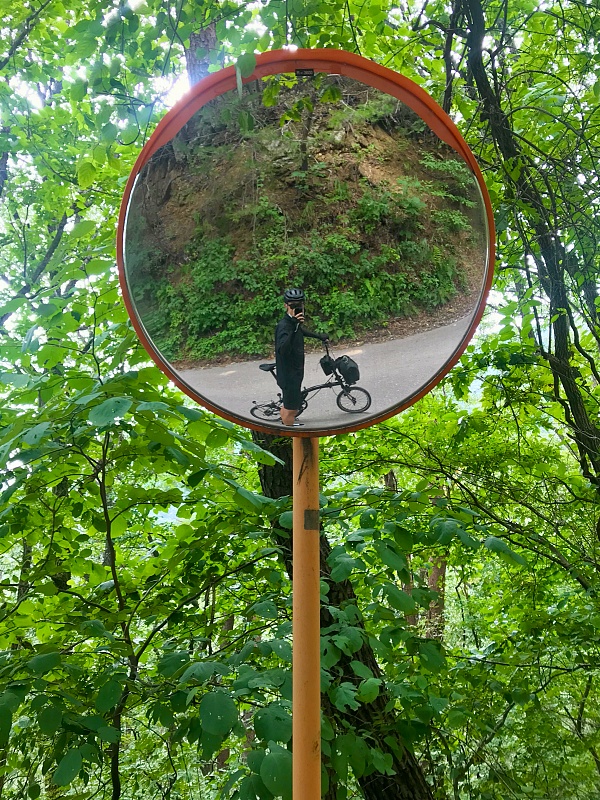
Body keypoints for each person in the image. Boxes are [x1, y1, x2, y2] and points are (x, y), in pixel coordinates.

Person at [275, 288, 328, 426]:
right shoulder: (285, 325)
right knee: (291, 410)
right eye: (293, 305)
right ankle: (289, 429)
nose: (296, 308)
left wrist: (318, 336)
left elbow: (300, 331)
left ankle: (286, 423)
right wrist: (294, 326)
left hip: (295, 372)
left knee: (288, 405)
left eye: (299, 305)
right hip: (289, 375)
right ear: (286, 306)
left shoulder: (293, 323)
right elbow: (282, 350)